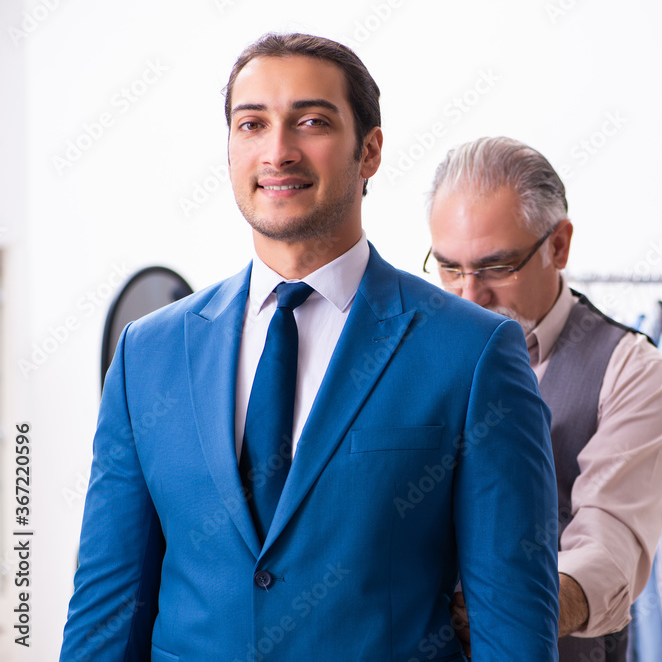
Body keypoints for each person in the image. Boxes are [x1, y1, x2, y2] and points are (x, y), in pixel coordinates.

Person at [60, 34, 559, 661]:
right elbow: (108, 606)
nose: (278, 151)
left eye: (312, 121)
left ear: (370, 150)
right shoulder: (147, 355)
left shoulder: (475, 352)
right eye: (252, 124)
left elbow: (511, 622)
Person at [426, 136, 662, 661]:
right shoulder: (412, 354)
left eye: (496, 267)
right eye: (450, 268)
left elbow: (609, 548)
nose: (470, 296)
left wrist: (514, 612)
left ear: (558, 246)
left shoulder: (630, 371)